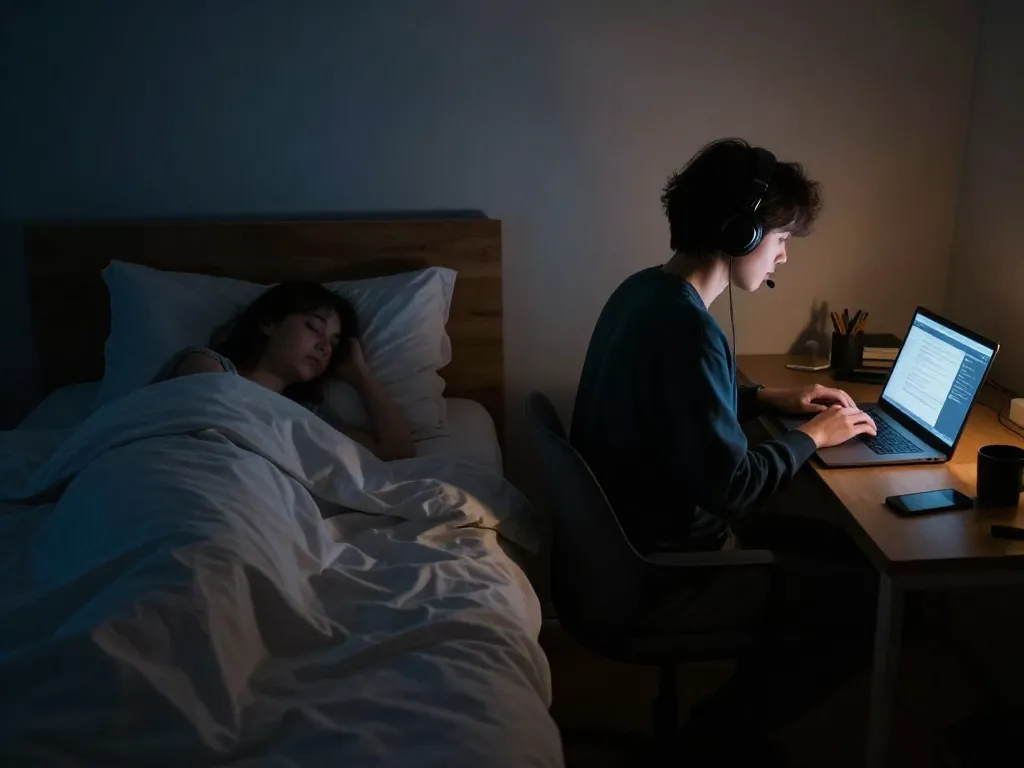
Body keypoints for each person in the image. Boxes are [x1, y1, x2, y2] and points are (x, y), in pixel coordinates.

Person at [570, 138, 877, 757]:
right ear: (741, 233)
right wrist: (814, 435)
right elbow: (734, 488)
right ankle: (716, 740)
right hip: (664, 573)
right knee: (869, 601)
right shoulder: (690, 330)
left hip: (618, 552)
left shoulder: (643, 291)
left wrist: (765, 398)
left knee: (843, 550)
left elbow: (673, 403)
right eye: (781, 238)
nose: (783, 255)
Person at [155, 281, 415, 462]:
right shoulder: (207, 365)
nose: (325, 346)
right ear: (269, 323)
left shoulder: (308, 418)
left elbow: (397, 450)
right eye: (314, 328)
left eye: (334, 343)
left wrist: (359, 374)